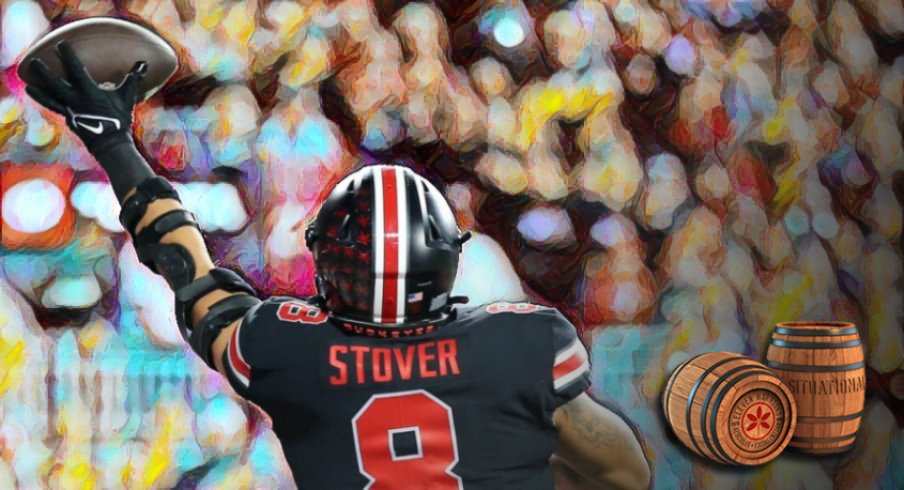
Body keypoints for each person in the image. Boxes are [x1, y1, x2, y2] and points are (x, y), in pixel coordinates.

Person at [24, 42, 651, 490]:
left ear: (324, 261)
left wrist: (112, 142)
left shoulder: (289, 349)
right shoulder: (522, 342)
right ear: (446, 260)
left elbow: (182, 260)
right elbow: (627, 472)